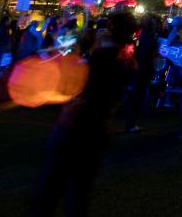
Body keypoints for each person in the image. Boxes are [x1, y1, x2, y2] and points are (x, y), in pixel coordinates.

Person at [31, 11, 132, 217]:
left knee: (50, 187)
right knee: (79, 191)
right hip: (98, 128)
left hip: (76, 125)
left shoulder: (100, 59)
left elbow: (72, 83)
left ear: (111, 29)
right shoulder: (124, 59)